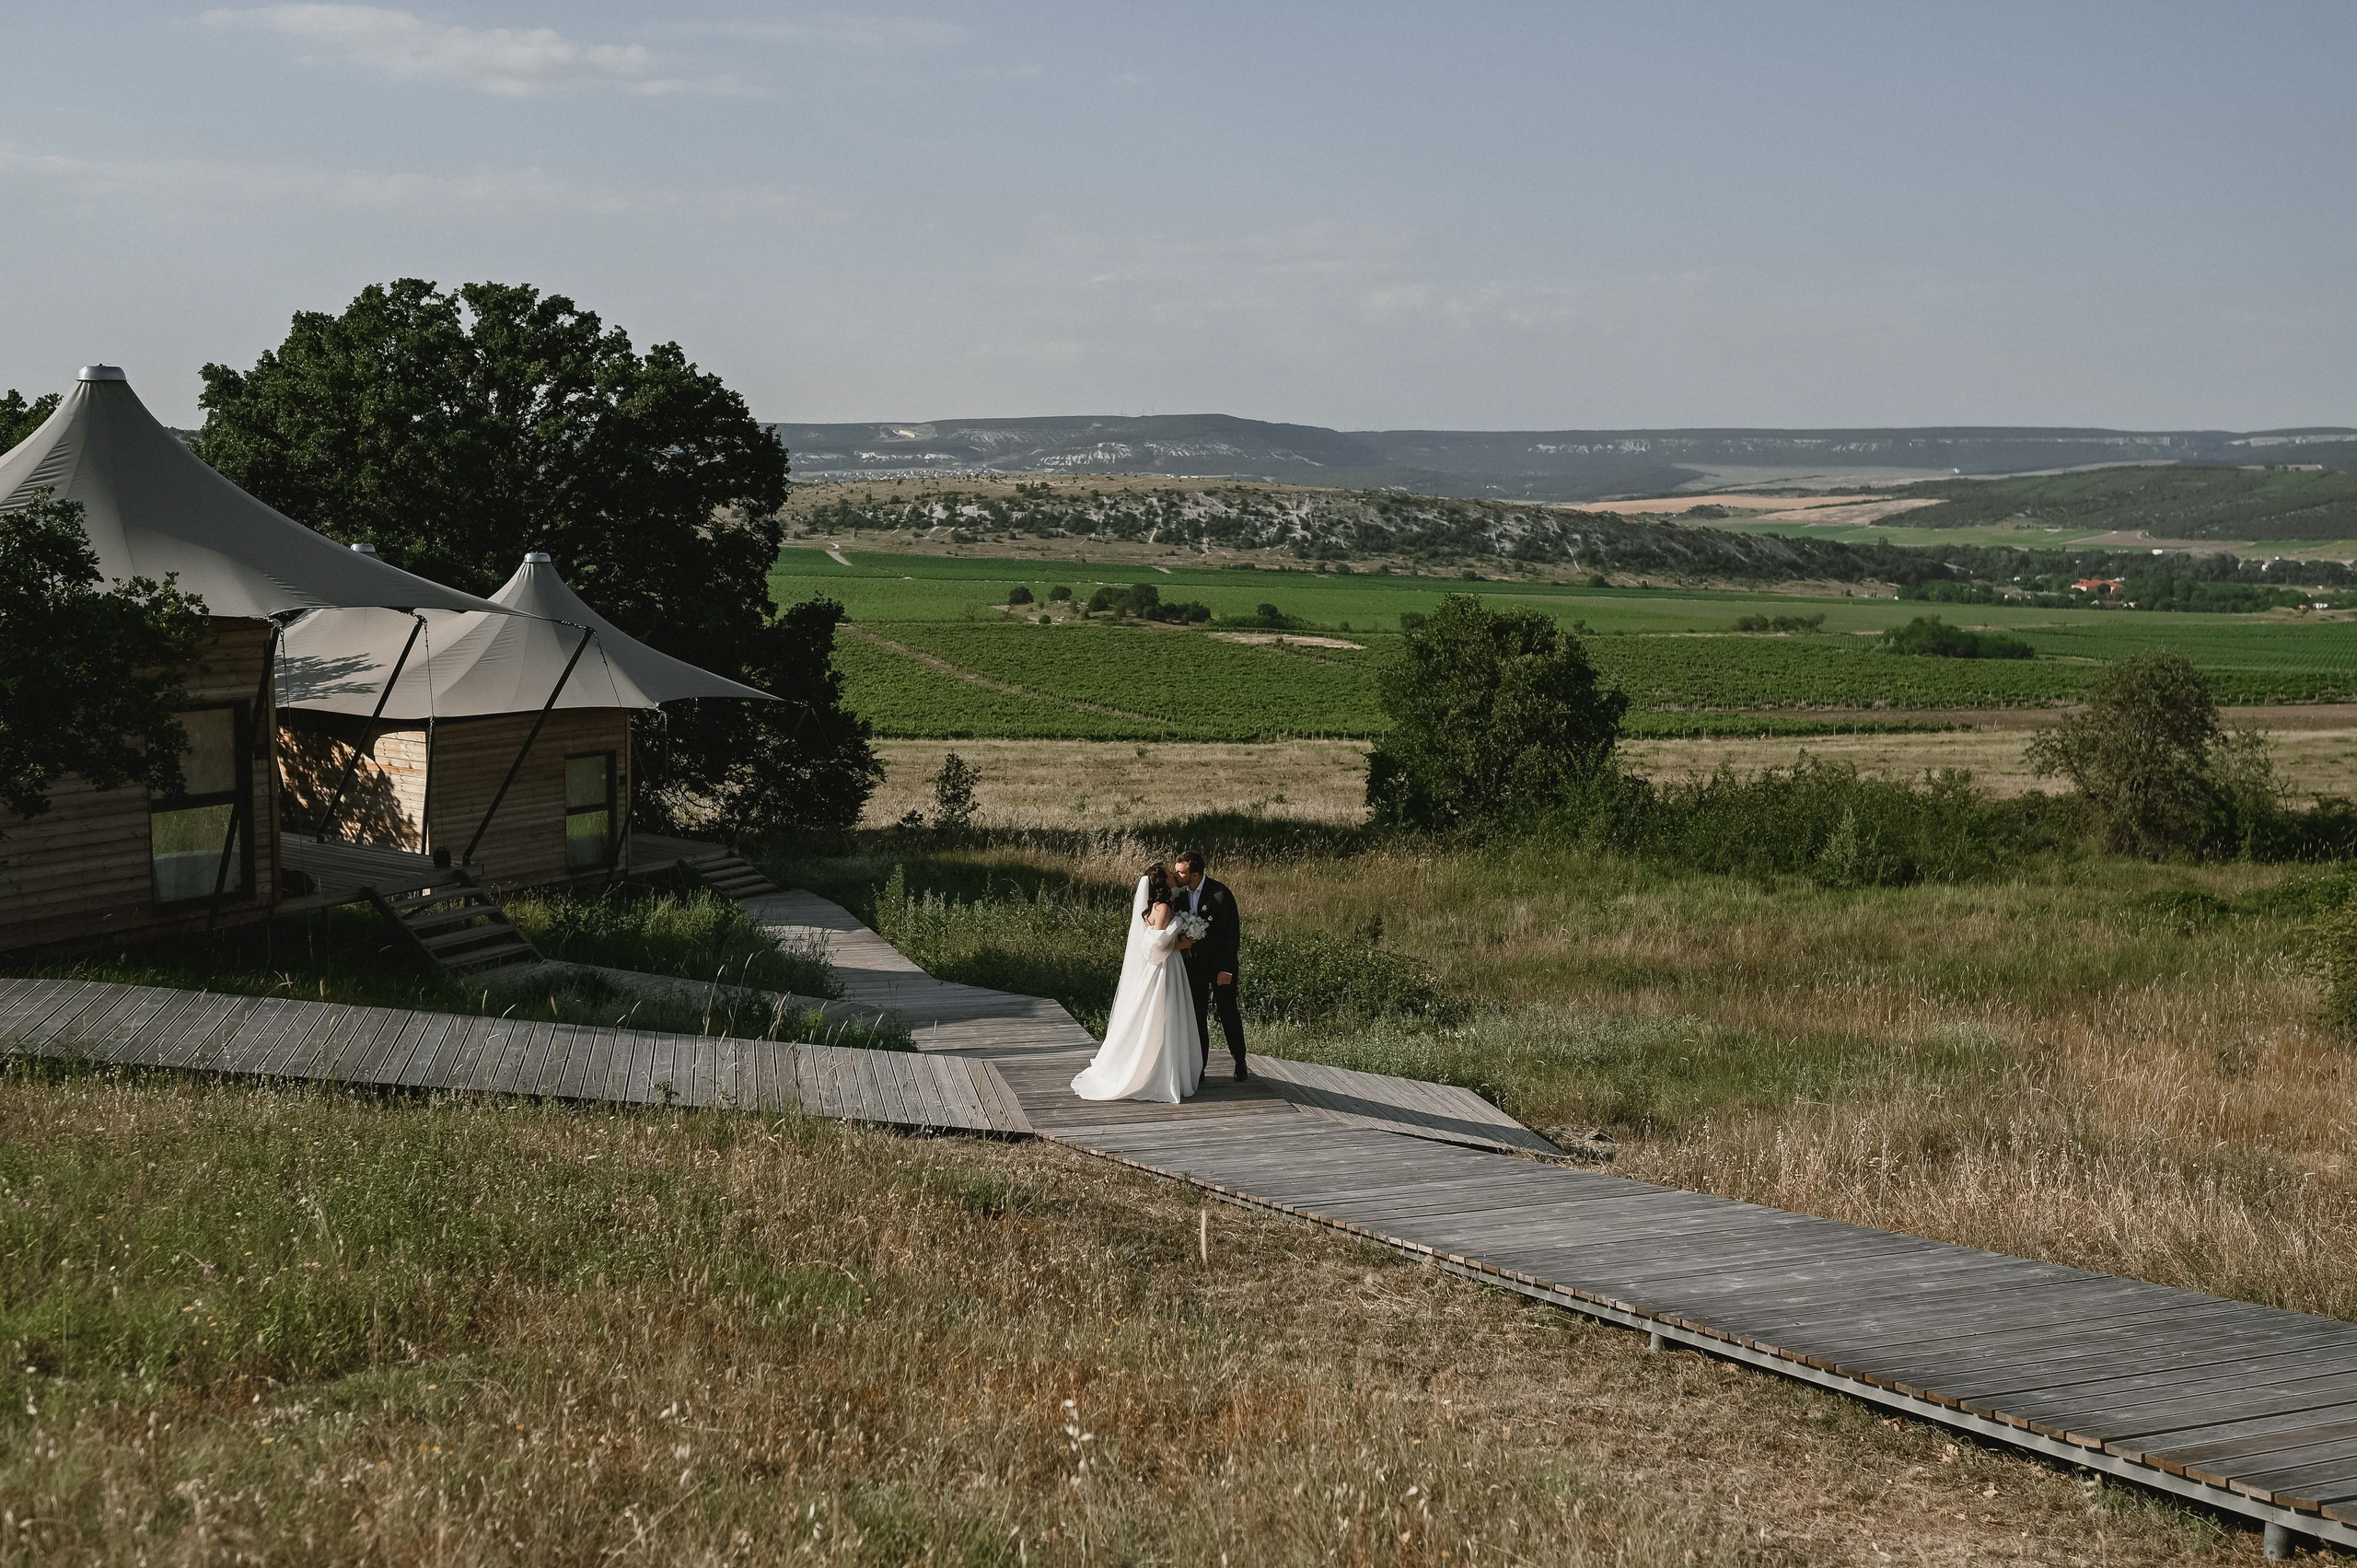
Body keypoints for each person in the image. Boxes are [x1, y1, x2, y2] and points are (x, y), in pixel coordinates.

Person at [1069, 861, 1203, 1103]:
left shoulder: (1159, 906)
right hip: (1164, 970)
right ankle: (1159, 1075)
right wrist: (1179, 945)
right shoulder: (1162, 908)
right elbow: (1153, 947)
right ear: (1163, 882)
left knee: (1165, 1019)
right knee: (1163, 1018)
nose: (1174, 875)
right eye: (1170, 873)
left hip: (1169, 968)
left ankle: (1166, 1070)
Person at [1171, 848, 1248, 1083]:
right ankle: (1199, 1067)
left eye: (1181, 872)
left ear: (1195, 874)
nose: (1177, 876)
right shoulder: (1179, 894)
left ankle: (1240, 1060)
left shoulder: (1220, 894)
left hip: (1219, 966)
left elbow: (1232, 934)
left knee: (1228, 1012)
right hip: (1193, 966)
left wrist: (1227, 969)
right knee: (1196, 1016)